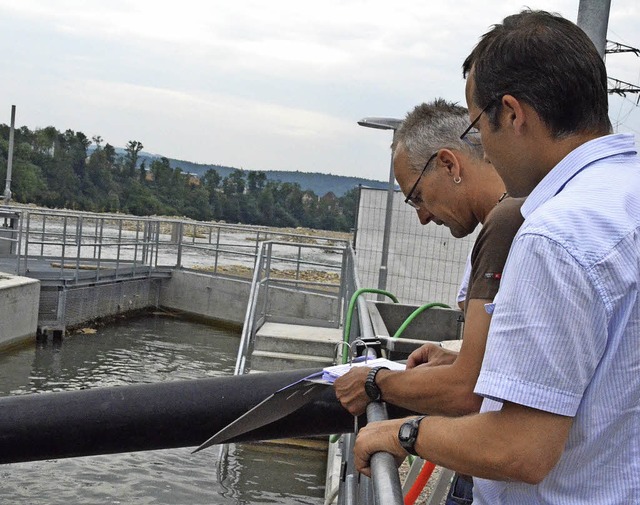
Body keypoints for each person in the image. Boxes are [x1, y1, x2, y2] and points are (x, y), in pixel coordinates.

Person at [353, 10, 640, 504]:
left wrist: (401, 433)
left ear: (511, 113)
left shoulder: (555, 235)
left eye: (478, 126)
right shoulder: (624, 194)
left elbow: (520, 448)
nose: (481, 143)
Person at [334, 98, 524, 504]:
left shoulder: (505, 223)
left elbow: (468, 390)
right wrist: (460, 358)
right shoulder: (525, 213)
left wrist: (374, 383)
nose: (421, 216)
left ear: (450, 165)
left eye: (417, 196)